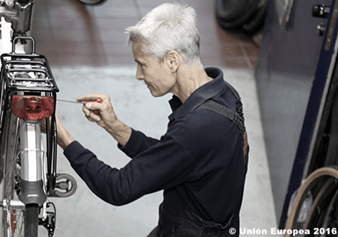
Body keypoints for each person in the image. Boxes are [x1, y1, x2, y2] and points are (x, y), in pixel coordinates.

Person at [54, 3, 249, 237]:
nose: (138, 75)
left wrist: (61, 136)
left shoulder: (197, 126)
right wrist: (115, 127)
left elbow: (118, 187)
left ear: (172, 61)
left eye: (142, 64)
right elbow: (175, 156)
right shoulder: (224, 93)